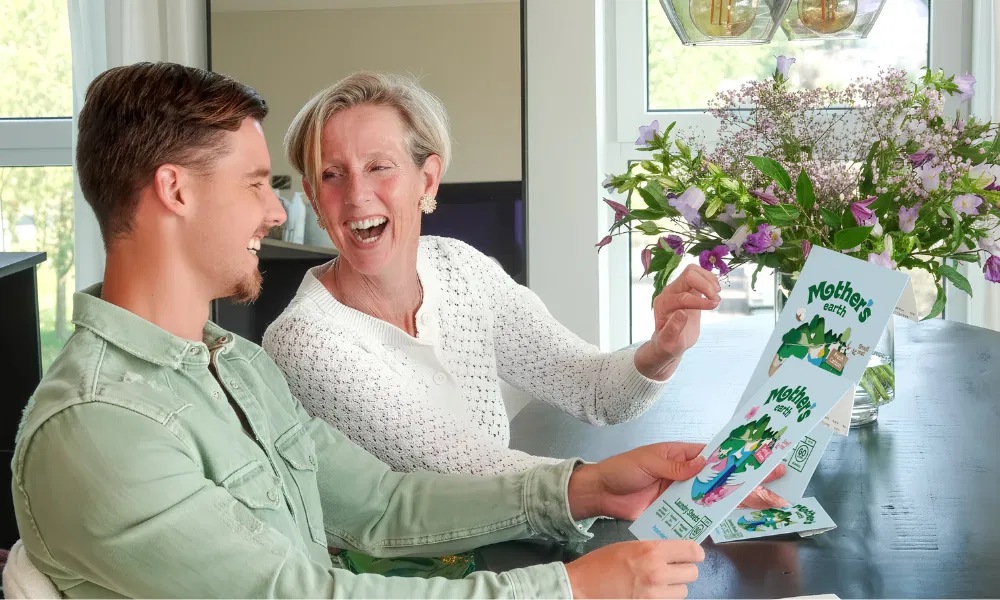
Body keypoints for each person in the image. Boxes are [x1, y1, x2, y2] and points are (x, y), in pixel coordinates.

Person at [10, 61, 746, 599]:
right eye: (259, 183)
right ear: (174, 191)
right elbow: (297, 595)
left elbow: (384, 504)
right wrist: (569, 590)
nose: (276, 214)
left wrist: (584, 490)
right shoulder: (100, 426)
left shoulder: (231, 366)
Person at [263, 72, 732, 478]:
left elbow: (593, 389)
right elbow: (465, 472)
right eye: (331, 175)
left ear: (427, 179)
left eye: (379, 167)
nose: (357, 195)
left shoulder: (460, 268)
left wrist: (660, 352)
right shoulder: (304, 339)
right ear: (311, 195)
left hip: (501, 550)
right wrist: (648, 476)